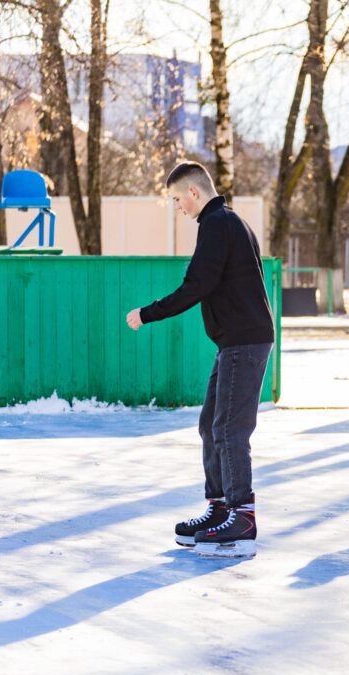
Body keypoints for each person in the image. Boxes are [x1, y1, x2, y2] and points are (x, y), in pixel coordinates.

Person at [126, 161, 275, 558]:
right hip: (236, 341)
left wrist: (148, 313)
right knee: (210, 424)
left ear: (193, 192)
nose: (177, 207)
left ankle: (242, 516)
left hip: (244, 340)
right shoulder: (228, 223)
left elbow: (197, 285)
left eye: (177, 199)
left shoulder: (217, 224)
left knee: (229, 428)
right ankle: (220, 507)